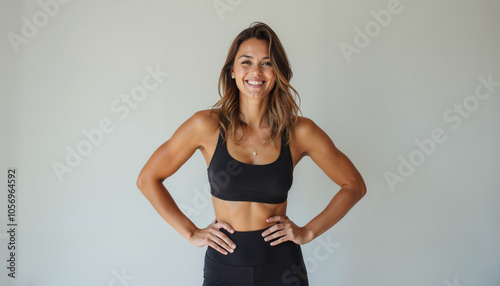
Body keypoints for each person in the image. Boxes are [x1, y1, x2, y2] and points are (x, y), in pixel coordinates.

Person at [136, 22, 366, 286]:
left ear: (277, 72)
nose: (256, 71)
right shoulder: (206, 126)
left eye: (267, 63)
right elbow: (148, 179)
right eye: (246, 62)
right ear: (232, 71)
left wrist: (308, 231)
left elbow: (354, 185)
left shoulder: (300, 131)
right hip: (224, 266)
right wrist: (191, 233)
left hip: (283, 265)